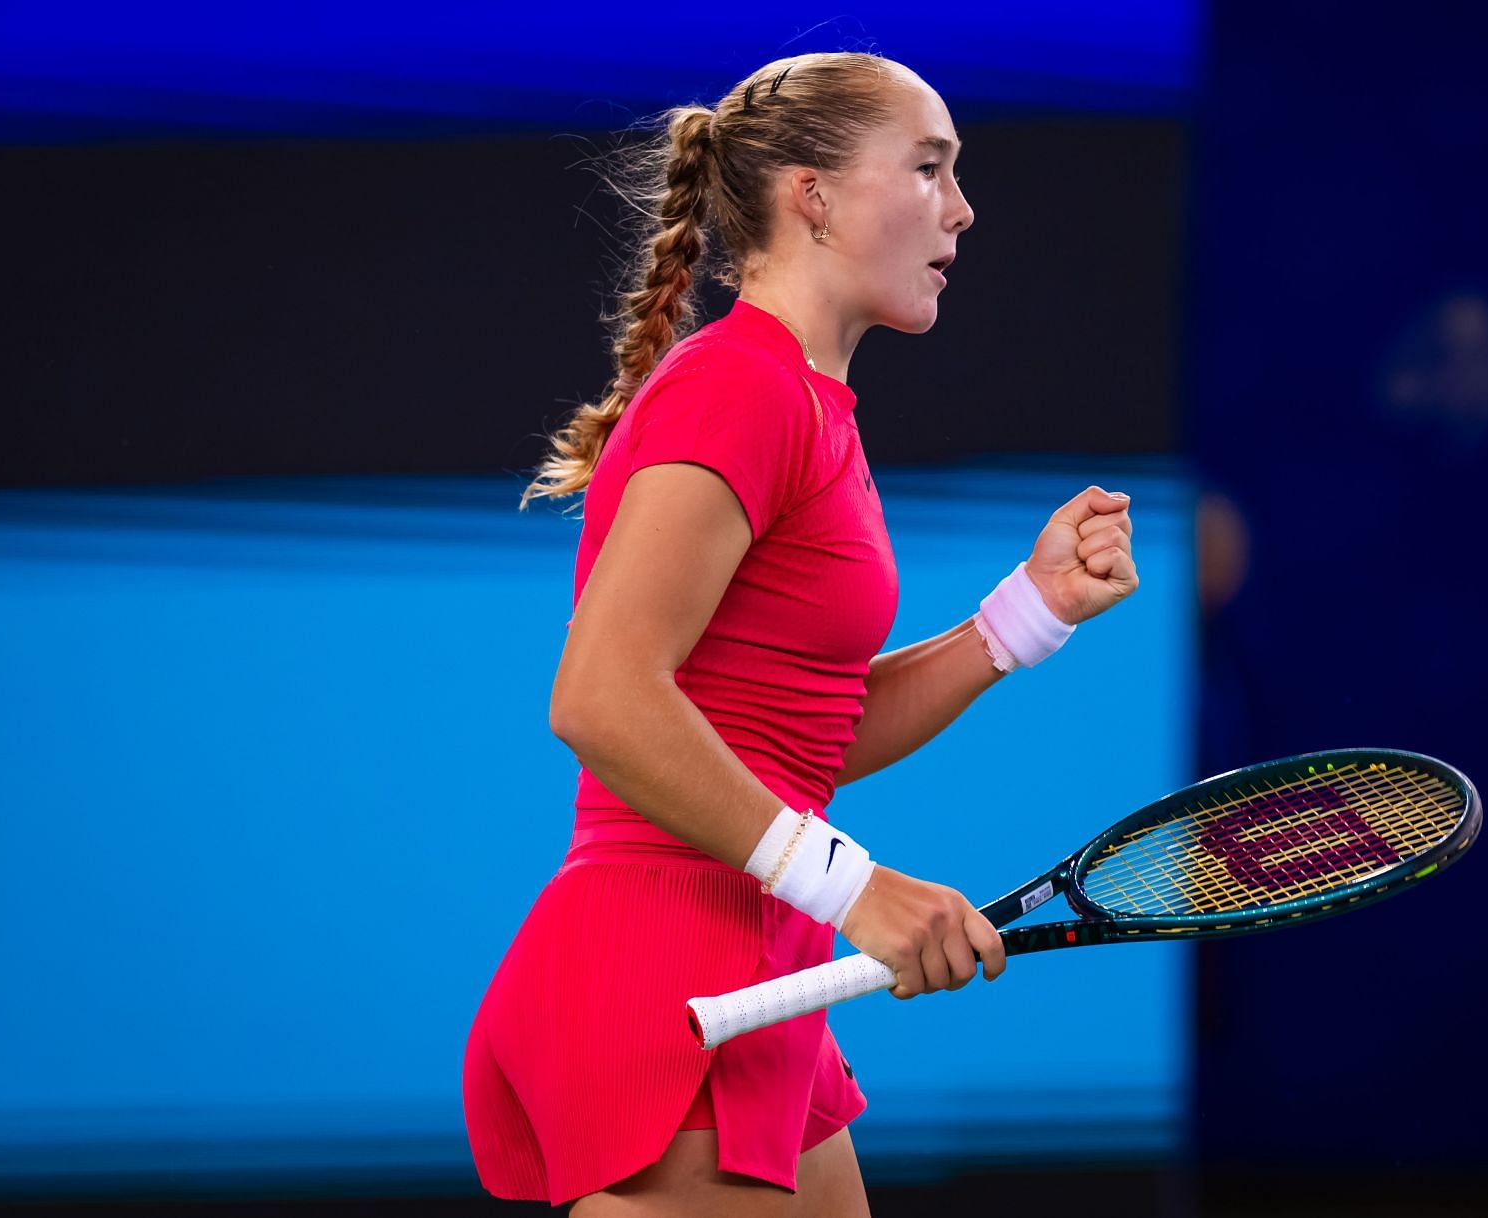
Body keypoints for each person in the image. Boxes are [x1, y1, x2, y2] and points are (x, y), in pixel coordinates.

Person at [461, 50, 1139, 1216]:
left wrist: (1022, 618)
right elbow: (602, 697)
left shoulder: (806, 401)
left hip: (757, 958)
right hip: (659, 963)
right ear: (811, 194)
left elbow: (790, 734)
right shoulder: (741, 388)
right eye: (927, 168)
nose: (963, 209)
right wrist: (854, 886)